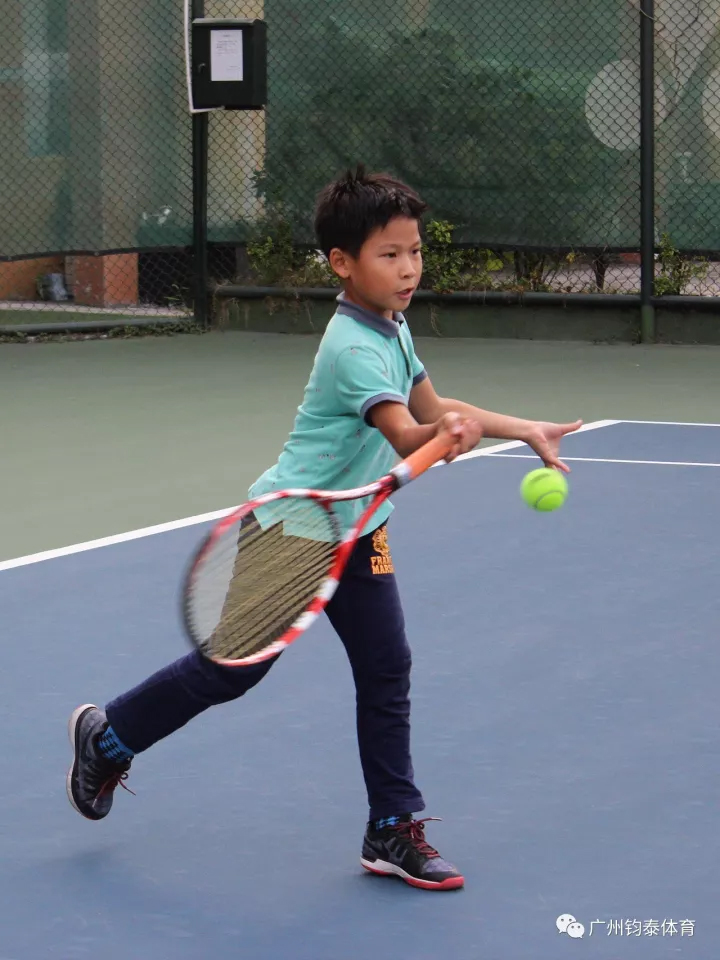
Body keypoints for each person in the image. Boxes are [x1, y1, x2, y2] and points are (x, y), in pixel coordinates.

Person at [67, 166, 581, 891]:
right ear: (342, 262)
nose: (409, 268)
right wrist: (442, 439)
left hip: (358, 529)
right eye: (389, 255)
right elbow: (408, 434)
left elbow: (432, 408)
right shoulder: (353, 348)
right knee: (230, 673)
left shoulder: (392, 327)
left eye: (414, 251)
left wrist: (521, 427)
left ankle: (391, 827)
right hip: (293, 531)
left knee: (386, 666)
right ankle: (108, 737)